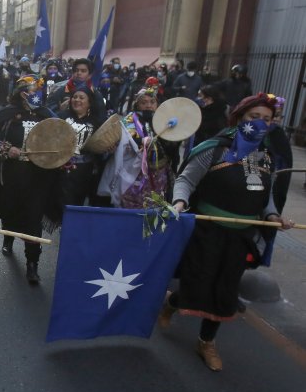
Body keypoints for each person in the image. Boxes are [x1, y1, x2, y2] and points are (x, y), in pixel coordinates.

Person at [161, 93, 295, 371]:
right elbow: (186, 179)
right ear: (239, 117)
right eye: (253, 117)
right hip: (207, 230)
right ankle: (172, 304)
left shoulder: (264, 156)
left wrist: (272, 216)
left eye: (266, 120)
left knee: (224, 291)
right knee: (196, 285)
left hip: (240, 236)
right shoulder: (217, 148)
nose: (259, 124)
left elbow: (265, 193)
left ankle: (206, 342)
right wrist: (179, 201)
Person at [0, 76, 59, 284]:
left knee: (33, 217)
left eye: (39, 90)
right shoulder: (8, 113)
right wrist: (5, 147)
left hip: (38, 176)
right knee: (10, 210)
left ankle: (32, 264)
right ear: (22, 93)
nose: (38, 94)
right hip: (11, 174)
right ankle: (8, 237)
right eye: (33, 90)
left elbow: (62, 137)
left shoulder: (46, 115)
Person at [100, 88, 178, 208]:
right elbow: (123, 143)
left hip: (159, 171)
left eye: (152, 102)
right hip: (135, 171)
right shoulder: (128, 121)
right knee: (134, 204)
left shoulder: (164, 121)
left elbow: (171, 148)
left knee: (156, 204)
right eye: (144, 102)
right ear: (137, 105)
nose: (148, 105)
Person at [58, 85, 107, 210]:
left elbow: (101, 145)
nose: (77, 100)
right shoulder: (61, 116)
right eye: (74, 97)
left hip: (84, 171)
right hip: (59, 168)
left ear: (89, 103)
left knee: (77, 202)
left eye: (81, 97)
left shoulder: (96, 122)